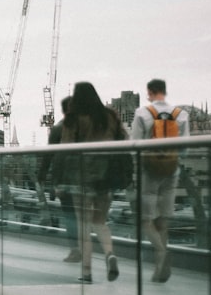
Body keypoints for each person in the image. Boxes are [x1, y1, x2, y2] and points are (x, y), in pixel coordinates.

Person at [58, 82, 127, 283]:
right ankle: (109, 254)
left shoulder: (73, 118)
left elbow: (66, 148)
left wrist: (61, 178)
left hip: (81, 179)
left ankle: (87, 273)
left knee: (83, 227)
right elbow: (123, 139)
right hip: (106, 179)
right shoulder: (110, 116)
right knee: (100, 222)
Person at [129, 78, 190, 283]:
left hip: (148, 170)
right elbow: (185, 147)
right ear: (165, 91)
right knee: (163, 220)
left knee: (145, 219)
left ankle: (162, 254)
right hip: (172, 171)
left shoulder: (142, 113)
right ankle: (159, 270)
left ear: (150, 92)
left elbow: (134, 144)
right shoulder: (181, 114)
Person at [37, 97, 80, 262]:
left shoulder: (57, 129)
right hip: (85, 179)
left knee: (70, 215)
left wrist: (42, 176)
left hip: (64, 180)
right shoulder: (88, 128)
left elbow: (48, 156)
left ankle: (75, 249)